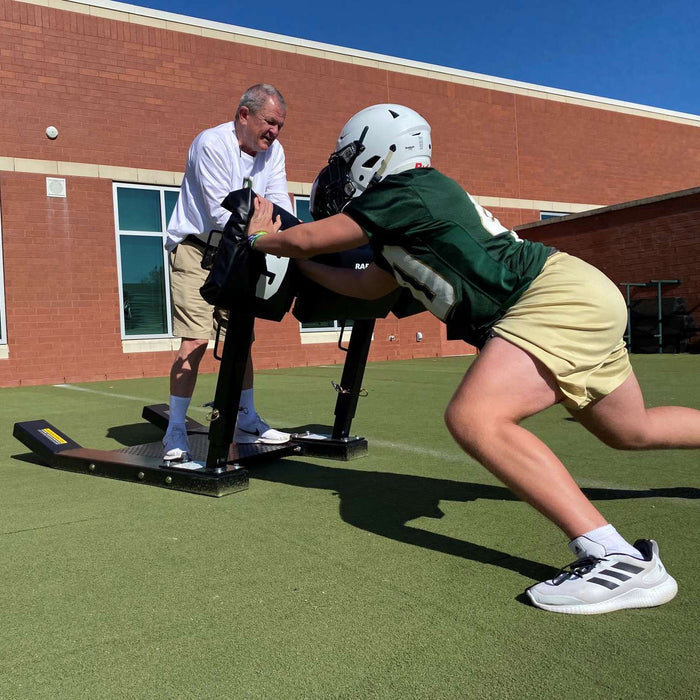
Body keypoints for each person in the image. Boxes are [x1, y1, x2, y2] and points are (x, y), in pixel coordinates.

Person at [244, 103, 700, 614]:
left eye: (349, 158)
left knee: (474, 417)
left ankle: (617, 560)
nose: (342, 170)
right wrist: (304, 270)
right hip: (574, 294)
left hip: (549, 298)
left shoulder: (409, 188)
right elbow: (366, 283)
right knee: (630, 430)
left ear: (382, 151)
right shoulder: (406, 220)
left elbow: (308, 237)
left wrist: (266, 239)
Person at [163, 84, 292, 462]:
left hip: (244, 250)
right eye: (270, 122)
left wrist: (269, 227)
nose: (275, 132)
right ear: (244, 115)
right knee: (196, 341)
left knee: (241, 338)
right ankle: (175, 429)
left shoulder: (275, 152)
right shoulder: (211, 144)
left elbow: (282, 207)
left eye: (280, 125)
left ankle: (247, 417)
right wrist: (264, 223)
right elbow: (223, 213)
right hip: (197, 250)